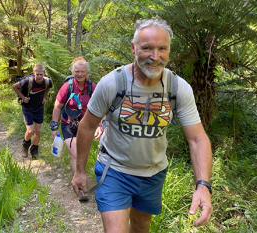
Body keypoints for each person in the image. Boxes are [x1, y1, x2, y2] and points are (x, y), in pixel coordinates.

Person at [71, 18, 213, 232]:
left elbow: (197, 138)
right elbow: (87, 126)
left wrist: (203, 185)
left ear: (169, 50)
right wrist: (79, 171)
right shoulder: (112, 83)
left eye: (162, 49)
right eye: (147, 48)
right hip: (114, 170)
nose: (155, 57)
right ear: (133, 48)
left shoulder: (177, 88)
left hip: (153, 174)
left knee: (141, 226)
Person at [51, 57, 100, 173]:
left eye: (82, 71)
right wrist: (54, 126)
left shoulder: (93, 87)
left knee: (82, 153)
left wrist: (100, 124)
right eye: (77, 71)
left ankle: (80, 174)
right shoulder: (67, 86)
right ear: (73, 72)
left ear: (87, 73)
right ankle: (77, 180)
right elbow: (57, 107)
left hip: (85, 124)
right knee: (74, 153)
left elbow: (101, 107)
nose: (80, 74)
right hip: (68, 123)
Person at [12, 64, 52, 159]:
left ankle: (34, 151)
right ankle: (25, 146)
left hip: (39, 107)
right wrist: (23, 98)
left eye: (41, 74)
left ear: (44, 74)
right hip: (28, 108)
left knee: (38, 131)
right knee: (30, 131)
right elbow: (14, 86)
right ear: (34, 73)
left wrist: (44, 98)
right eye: (37, 74)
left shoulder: (47, 81)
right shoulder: (27, 81)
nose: (39, 76)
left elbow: (49, 87)